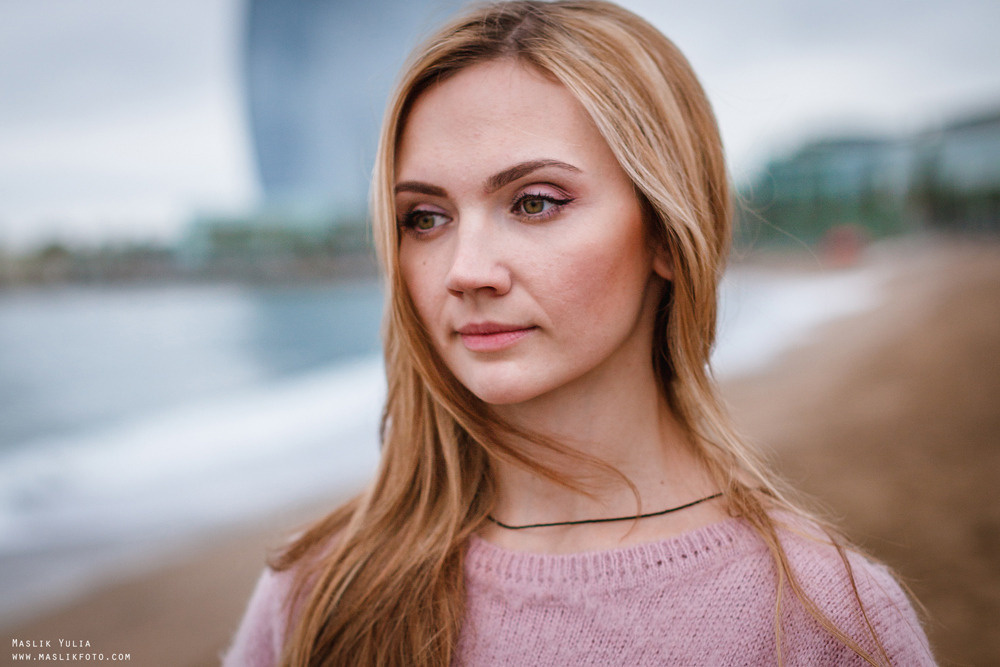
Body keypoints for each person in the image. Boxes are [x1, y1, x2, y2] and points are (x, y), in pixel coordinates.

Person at [224, 1, 934, 665]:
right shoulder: (319, 593)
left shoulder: (827, 620)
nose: (465, 271)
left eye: (534, 202)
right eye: (426, 218)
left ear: (664, 229)